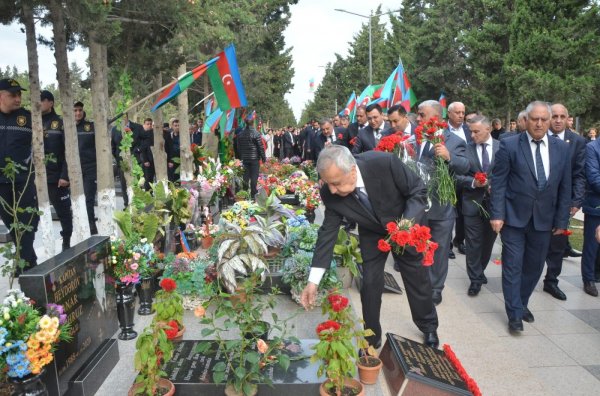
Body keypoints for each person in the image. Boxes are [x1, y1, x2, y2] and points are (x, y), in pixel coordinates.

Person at [300, 145, 439, 349]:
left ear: (353, 170)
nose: (332, 190)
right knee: (370, 283)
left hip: (405, 227)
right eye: (328, 183)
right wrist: (313, 281)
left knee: (417, 278)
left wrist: (407, 222)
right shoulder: (330, 193)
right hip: (373, 233)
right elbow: (326, 235)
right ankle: (371, 336)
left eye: (336, 183)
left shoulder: (384, 163)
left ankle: (428, 326)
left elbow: (418, 190)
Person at [490, 101, 571, 332]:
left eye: (543, 119)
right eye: (534, 119)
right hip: (514, 218)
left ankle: (521, 302)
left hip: (544, 220)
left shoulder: (561, 148)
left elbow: (565, 187)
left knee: (534, 267)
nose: (539, 123)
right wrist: (497, 214)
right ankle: (514, 314)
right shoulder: (510, 145)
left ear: (549, 122)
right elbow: (499, 182)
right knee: (513, 266)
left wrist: (561, 220)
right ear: (526, 120)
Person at [415, 100, 470, 305]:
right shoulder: (417, 139)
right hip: (418, 206)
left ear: (436, 118)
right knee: (419, 248)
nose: (418, 118)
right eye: (418, 115)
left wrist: (449, 157)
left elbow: (465, 166)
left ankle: (436, 288)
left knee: (438, 252)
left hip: (441, 208)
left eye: (422, 115)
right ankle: (421, 284)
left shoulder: (454, 141)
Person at [543, 104, 586, 300]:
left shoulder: (576, 141)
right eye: (554, 116)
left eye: (562, 116)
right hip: (538, 201)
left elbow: (579, 174)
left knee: (558, 244)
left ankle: (551, 281)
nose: (558, 120)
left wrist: (575, 201)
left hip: (563, 202)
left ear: (568, 118)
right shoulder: (538, 137)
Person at [455, 116, 498, 296]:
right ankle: (475, 279)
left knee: (488, 243)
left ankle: (480, 270)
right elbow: (456, 176)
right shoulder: (466, 149)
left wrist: (494, 183)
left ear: (488, 129)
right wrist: (474, 182)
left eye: (476, 131)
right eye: (470, 131)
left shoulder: (502, 148)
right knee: (473, 243)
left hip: (495, 206)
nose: (472, 135)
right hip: (472, 203)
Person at [0, 78, 38, 271]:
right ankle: (28, 260)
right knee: (12, 225)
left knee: (26, 224)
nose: (17, 99)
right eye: (12, 95)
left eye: (19, 94)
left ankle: (25, 266)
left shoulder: (28, 118)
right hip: (1, 185)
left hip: (23, 182)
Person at [40, 90, 72, 250]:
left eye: (41, 100)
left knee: (64, 213)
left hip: (57, 178)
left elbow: (69, 150)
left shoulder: (59, 123)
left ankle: (66, 241)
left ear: (50, 103)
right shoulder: (32, 122)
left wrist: (65, 175)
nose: (37, 103)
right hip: (37, 178)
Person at [446, 102, 471, 258]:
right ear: (449, 113)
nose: (461, 115)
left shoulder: (469, 131)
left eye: (463, 112)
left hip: (466, 176)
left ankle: (459, 240)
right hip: (448, 178)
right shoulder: (442, 131)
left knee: (463, 213)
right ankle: (447, 244)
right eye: (457, 112)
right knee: (449, 212)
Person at [579, 132, 600, 297]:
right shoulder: (592, 148)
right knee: (592, 244)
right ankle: (588, 278)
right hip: (596, 205)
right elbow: (594, 178)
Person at [74, 100, 98, 234]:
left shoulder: (90, 126)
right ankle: (80, 226)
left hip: (90, 168)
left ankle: (92, 226)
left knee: (89, 198)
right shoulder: (66, 127)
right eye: (75, 110)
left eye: (80, 110)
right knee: (77, 199)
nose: (78, 113)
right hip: (73, 169)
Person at [236, 119, 266, 198]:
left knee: (245, 177)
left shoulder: (240, 134)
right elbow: (260, 147)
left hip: (245, 158)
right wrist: (263, 157)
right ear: (253, 123)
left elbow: (238, 147)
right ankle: (253, 195)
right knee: (254, 177)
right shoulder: (256, 133)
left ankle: (245, 194)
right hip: (254, 158)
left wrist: (239, 156)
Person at [138, 118, 155, 190]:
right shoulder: (141, 134)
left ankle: (150, 192)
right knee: (147, 178)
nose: (149, 125)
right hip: (146, 159)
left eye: (150, 124)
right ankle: (148, 192)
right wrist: (145, 160)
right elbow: (142, 148)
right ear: (144, 125)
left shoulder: (153, 133)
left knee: (151, 178)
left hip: (154, 158)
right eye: (147, 124)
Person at [165, 119, 180, 183]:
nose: (177, 127)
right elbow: (167, 149)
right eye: (175, 125)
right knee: (171, 178)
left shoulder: (183, 136)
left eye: (178, 125)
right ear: (172, 126)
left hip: (181, 159)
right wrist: (169, 161)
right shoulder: (169, 135)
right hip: (172, 160)